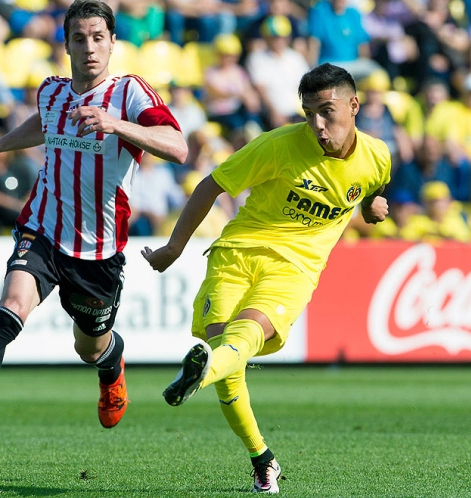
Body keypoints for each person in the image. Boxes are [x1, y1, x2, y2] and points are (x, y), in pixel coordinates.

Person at [141, 63, 391, 494]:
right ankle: (262, 458)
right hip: (236, 254)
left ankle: (199, 376)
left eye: (326, 112)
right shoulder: (278, 146)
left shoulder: (378, 156)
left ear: (354, 105)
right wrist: (174, 248)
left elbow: (370, 190)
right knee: (230, 362)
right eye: (308, 112)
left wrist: (372, 211)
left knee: (240, 341)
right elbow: (210, 185)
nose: (316, 124)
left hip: (294, 268)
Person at [0, 0, 188, 429]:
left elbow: (177, 146)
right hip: (42, 227)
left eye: (98, 38)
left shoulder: (130, 92)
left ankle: (111, 362)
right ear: (66, 45)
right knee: (10, 306)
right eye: (80, 39)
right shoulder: (52, 90)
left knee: (89, 348)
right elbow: (44, 123)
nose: (89, 48)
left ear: (113, 43)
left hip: (97, 250)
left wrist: (117, 125)